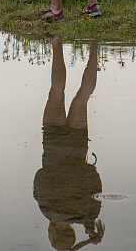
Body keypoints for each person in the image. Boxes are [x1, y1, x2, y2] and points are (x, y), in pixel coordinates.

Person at [33, 37, 105, 250]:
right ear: (52, 232)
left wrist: (87, 236)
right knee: (57, 90)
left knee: (83, 96)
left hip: (76, 146)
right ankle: (56, 42)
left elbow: (95, 184)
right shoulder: (46, 208)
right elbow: (39, 176)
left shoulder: (86, 216)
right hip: (53, 144)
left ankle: (95, 47)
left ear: (71, 234)